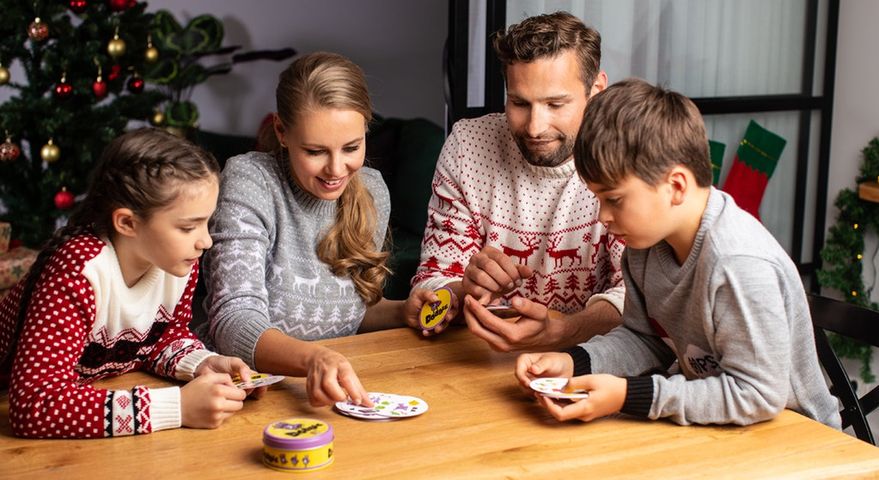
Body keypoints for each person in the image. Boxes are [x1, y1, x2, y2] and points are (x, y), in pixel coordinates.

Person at [515, 78, 841, 428]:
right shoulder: (644, 246)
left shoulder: (737, 263)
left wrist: (632, 395)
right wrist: (576, 362)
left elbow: (758, 395)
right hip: (718, 430)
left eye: (615, 199)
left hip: (797, 443)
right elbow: (646, 340)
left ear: (676, 186)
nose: (603, 216)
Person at [201, 52, 452, 408]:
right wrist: (314, 359)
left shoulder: (373, 190)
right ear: (281, 132)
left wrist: (401, 312)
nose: (337, 169)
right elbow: (233, 322)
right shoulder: (250, 180)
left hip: (334, 388)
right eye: (315, 151)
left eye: (351, 147)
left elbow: (349, 312)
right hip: (240, 391)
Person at [0, 128, 262, 439]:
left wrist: (203, 362)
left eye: (206, 222)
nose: (205, 241)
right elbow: (35, 405)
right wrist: (177, 407)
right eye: (188, 227)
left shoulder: (174, 262)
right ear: (127, 223)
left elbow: (158, 339)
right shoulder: (77, 274)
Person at [412, 11, 624, 352]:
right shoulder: (468, 145)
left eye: (556, 104)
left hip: (591, 360)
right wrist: (461, 289)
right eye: (519, 103)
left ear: (596, 90)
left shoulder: (629, 154)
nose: (535, 127)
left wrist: (565, 332)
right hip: (478, 356)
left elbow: (639, 296)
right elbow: (431, 282)